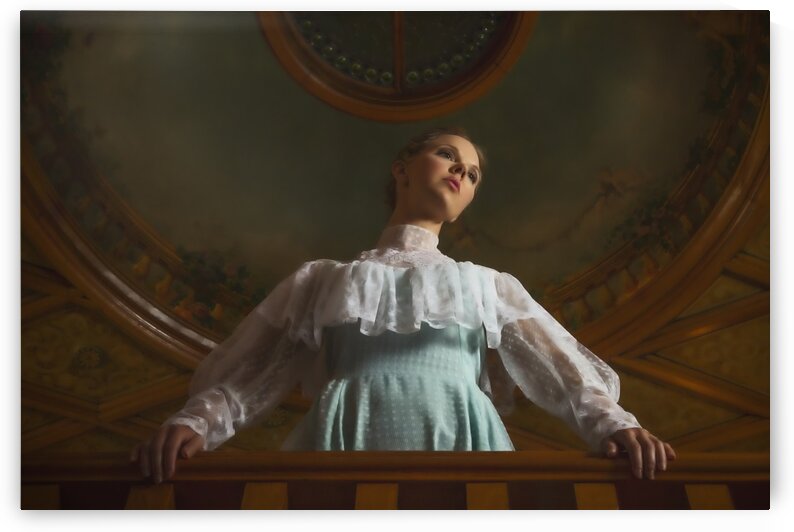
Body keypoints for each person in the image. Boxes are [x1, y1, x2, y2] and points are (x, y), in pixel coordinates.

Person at [131, 127, 676, 484]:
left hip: (462, 438)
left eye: (473, 174)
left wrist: (616, 428)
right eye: (446, 155)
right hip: (346, 437)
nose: (461, 172)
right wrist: (195, 423)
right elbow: (250, 375)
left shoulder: (488, 286)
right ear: (402, 168)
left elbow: (567, 374)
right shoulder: (320, 281)